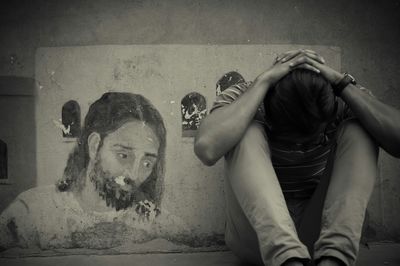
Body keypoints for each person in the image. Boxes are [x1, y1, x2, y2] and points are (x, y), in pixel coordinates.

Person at [194, 49, 400, 266]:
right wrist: (264, 80)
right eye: (290, 139)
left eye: (312, 138)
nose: (300, 147)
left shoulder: (341, 98)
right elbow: (207, 149)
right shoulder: (246, 95)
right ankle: (288, 259)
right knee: (244, 129)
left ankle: (334, 259)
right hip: (260, 238)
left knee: (360, 126)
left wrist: (342, 83)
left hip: (321, 231)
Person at [0, 92, 185, 250]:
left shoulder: (162, 227)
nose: (134, 175)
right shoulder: (31, 214)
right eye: (123, 155)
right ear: (95, 146)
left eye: (147, 163)